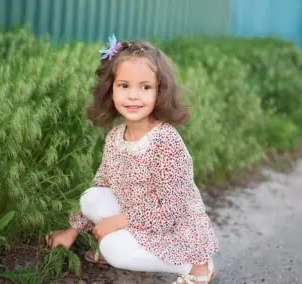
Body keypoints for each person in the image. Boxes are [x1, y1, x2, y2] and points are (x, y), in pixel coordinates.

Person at [46, 34, 219, 284]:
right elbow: (102, 182)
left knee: (113, 249)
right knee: (91, 197)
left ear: (160, 92)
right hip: (140, 217)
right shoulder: (116, 136)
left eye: (145, 87)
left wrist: (117, 222)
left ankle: (196, 265)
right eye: (124, 85)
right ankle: (124, 240)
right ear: (111, 89)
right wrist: (72, 231)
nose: (133, 96)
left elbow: (171, 209)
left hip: (177, 230)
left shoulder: (166, 142)